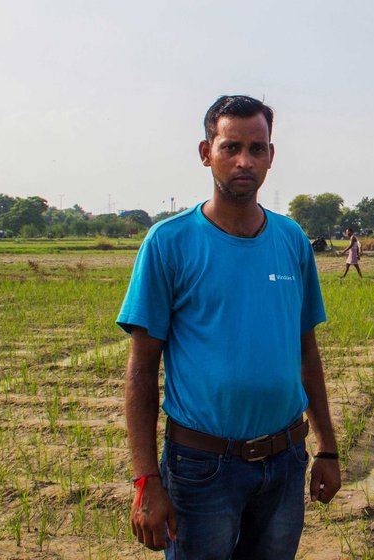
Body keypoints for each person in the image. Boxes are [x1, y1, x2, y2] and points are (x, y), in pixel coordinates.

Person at [117, 95, 341, 559]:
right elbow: (142, 371)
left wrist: (328, 449)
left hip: (284, 463)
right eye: (230, 147)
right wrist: (146, 481)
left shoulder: (292, 240)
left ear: (271, 157)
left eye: (257, 148)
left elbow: (306, 353)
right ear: (206, 153)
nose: (245, 160)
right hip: (201, 468)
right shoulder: (168, 243)